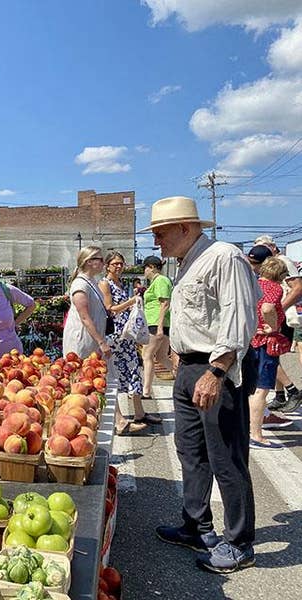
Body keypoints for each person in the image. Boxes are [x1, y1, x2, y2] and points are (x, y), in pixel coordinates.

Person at [144, 196, 258, 574]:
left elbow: (238, 317)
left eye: (160, 233)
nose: (156, 242)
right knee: (190, 450)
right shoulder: (186, 262)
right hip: (190, 367)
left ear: (185, 227)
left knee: (226, 456)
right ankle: (197, 525)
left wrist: (217, 371)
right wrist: (177, 354)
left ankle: (240, 542)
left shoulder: (223, 257)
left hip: (215, 369)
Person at [98, 251, 157, 436]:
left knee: (133, 370)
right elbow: (110, 310)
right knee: (114, 375)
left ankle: (139, 413)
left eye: (121, 263)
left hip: (126, 335)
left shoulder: (120, 283)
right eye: (115, 263)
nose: (119, 266)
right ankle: (119, 420)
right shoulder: (104, 284)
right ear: (107, 266)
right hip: (115, 337)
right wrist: (131, 302)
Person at [245, 249, 293, 441]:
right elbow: (268, 307)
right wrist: (272, 327)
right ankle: (256, 434)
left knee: (252, 388)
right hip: (267, 342)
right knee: (262, 389)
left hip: (252, 340)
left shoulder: (254, 285)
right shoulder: (275, 288)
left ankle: (249, 429)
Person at [253, 235, 302, 413]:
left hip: (279, 318)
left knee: (270, 356)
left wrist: (277, 309)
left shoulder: (282, 263)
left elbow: (297, 288)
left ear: (272, 247)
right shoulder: (267, 267)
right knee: (270, 357)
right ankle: (281, 395)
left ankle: (291, 390)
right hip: (269, 318)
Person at [62, 246, 111, 360]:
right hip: (82, 340)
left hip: (92, 339)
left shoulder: (91, 281)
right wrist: (101, 342)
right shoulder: (80, 284)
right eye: (100, 259)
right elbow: (84, 317)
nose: (103, 263)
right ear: (89, 261)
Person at [141, 255, 174, 399]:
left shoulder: (161, 280)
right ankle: (183, 379)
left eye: (145, 268)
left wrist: (159, 326)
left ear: (152, 267)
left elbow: (164, 303)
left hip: (156, 323)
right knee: (161, 357)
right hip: (159, 323)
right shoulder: (158, 281)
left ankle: (146, 391)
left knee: (147, 355)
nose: (144, 271)